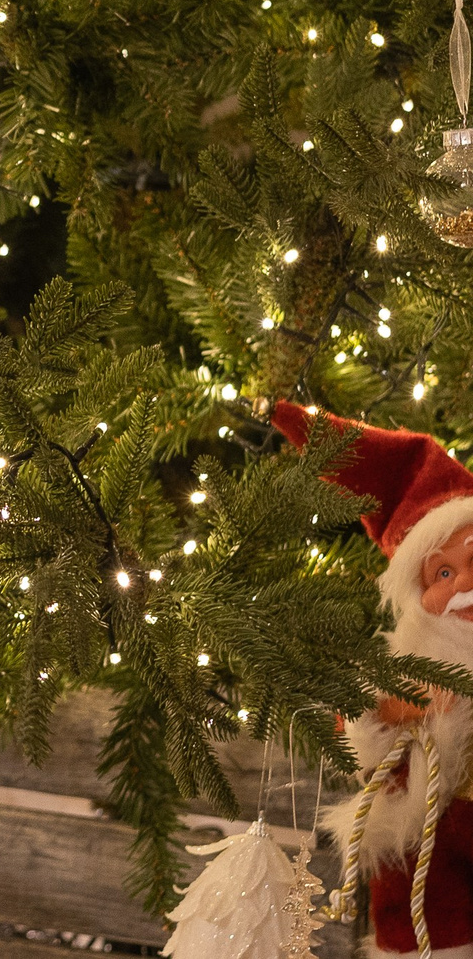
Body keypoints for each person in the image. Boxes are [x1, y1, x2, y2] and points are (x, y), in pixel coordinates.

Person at [271, 400, 473, 955]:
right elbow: (355, 724)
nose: (462, 587)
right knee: (415, 920)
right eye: (444, 572)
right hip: (422, 831)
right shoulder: (404, 662)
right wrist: (394, 709)